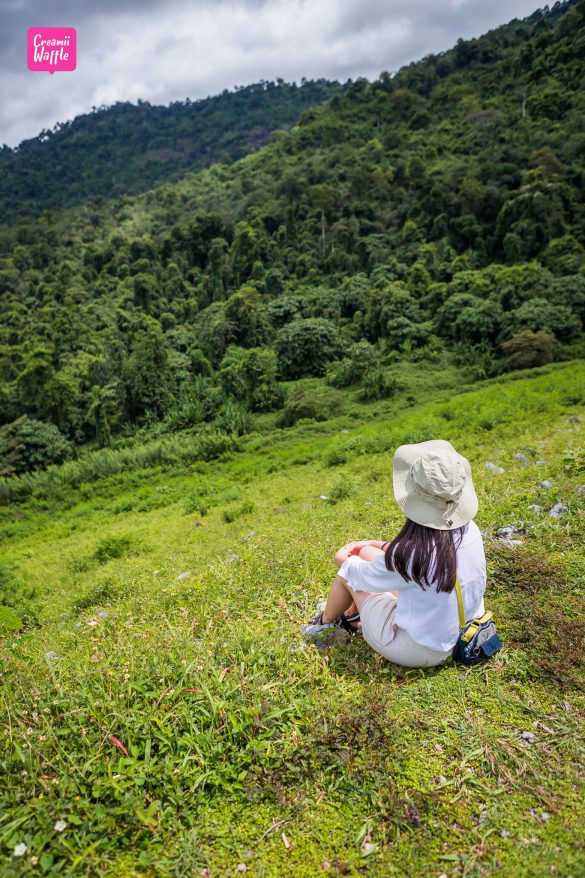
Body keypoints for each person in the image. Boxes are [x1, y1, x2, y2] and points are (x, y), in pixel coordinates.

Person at [302, 439, 487, 668]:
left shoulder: (411, 554)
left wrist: (343, 559)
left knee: (349, 572)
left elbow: (359, 575)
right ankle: (350, 615)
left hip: (422, 651)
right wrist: (376, 546)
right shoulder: (470, 530)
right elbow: (416, 559)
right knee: (368, 553)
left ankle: (325, 623)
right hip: (466, 631)